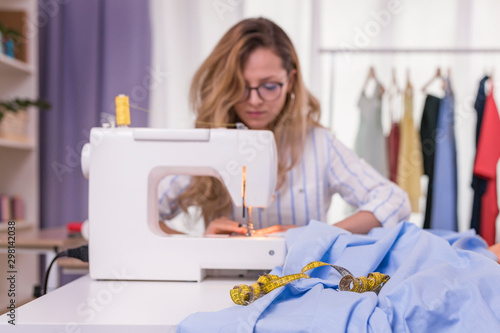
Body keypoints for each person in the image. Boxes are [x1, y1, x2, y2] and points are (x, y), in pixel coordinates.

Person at [157, 17, 411, 237]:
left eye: (269, 86)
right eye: (240, 86)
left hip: (305, 284)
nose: (255, 100)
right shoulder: (207, 146)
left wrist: (319, 235)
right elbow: (137, 217)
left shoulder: (319, 145)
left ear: (290, 81)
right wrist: (201, 246)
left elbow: (394, 201)